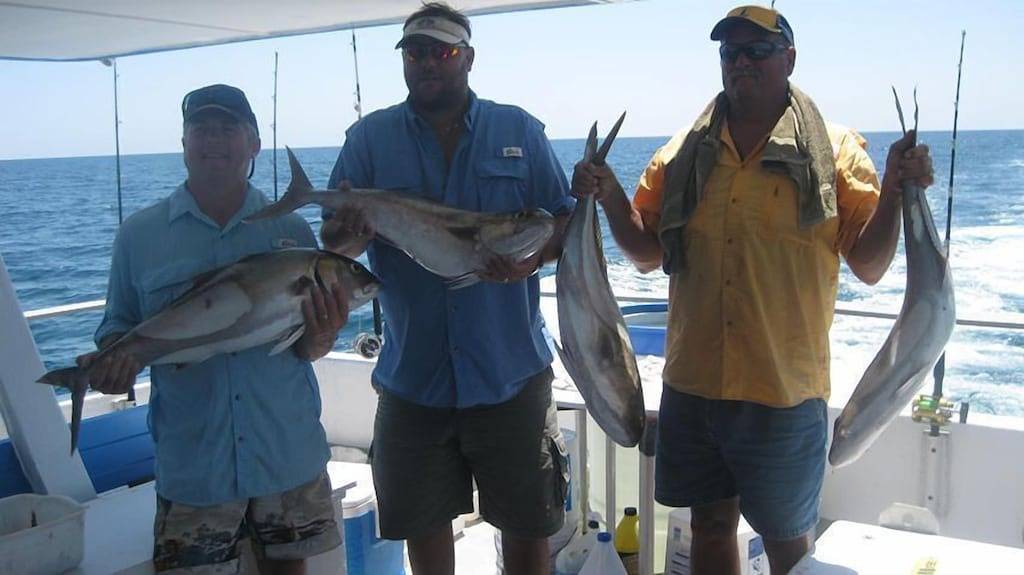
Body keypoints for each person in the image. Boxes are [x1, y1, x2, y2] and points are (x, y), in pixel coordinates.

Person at [571, 6, 934, 574]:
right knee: (710, 527)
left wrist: (894, 188)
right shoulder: (684, 152)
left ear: (789, 58)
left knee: (788, 540)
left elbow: (869, 263)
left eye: (756, 51)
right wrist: (609, 193)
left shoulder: (835, 151)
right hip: (694, 383)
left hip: (783, 390)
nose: (741, 62)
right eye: (730, 53)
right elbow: (646, 253)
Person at [320, 3, 574, 573]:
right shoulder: (368, 139)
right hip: (414, 380)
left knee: (529, 533)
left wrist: (530, 261)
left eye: (443, 50)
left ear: (468, 58)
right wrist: (348, 233)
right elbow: (334, 241)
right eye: (415, 52)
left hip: (510, 376)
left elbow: (564, 223)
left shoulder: (519, 130)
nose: (428, 62)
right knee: (424, 535)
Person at [77, 84, 349, 575]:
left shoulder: (290, 232)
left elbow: (306, 348)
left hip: (285, 449)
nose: (214, 140)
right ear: (184, 143)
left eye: (229, 128)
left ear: (254, 144)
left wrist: (324, 333)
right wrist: (112, 363)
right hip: (195, 462)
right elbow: (116, 327)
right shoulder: (139, 235)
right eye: (201, 129)